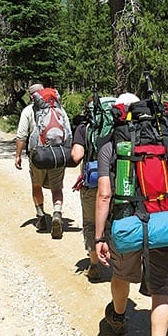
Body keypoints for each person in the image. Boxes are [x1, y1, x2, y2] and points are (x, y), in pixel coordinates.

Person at [94, 93, 168, 336]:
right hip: (162, 222)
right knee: (162, 288)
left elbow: (104, 194)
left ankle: (117, 317)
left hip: (127, 223)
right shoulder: (163, 138)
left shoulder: (111, 145)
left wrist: (99, 236)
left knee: (122, 274)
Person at [14, 83, 70, 239]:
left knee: (36, 185)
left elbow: (21, 136)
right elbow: (68, 132)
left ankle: (41, 216)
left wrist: (18, 155)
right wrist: (68, 152)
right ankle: (57, 213)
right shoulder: (59, 109)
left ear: (32, 96)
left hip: (38, 155)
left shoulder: (28, 111)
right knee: (57, 187)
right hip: (57, 154)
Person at [70, 116, 101, 281]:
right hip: (117, 182)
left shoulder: (84, 128)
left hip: (92, 182)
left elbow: (77, 156)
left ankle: (95, 264)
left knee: (91, 223)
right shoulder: (117, 125)